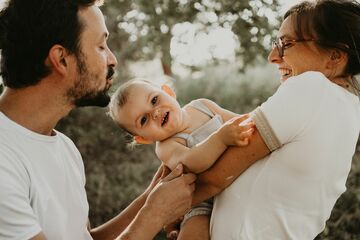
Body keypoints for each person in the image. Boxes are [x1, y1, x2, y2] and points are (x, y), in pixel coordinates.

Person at [0, 0, 196, 239]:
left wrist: (150, 198)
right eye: (101, 46)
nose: (112, 59)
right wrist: (153, 216)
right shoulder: (4, 160)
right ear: (61, 59)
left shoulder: (63, 147)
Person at [191, 0, 360, 239]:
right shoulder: (351, 107)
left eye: (286, 44)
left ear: (334, 56)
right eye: (276, 43)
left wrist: (150, 213)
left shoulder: (311, 87)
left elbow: (210, 181)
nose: (273, 56)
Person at [108, 78, 255, 239]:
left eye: (154, 100)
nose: (155, 112)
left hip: (238, 173)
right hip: (201, 200)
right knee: (193, 231)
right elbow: (193, 161)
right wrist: (220, 138)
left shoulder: (202, 106)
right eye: (144, 120)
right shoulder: (166, 147)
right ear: (144, 139)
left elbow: (242, 120)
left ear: (168, 92)